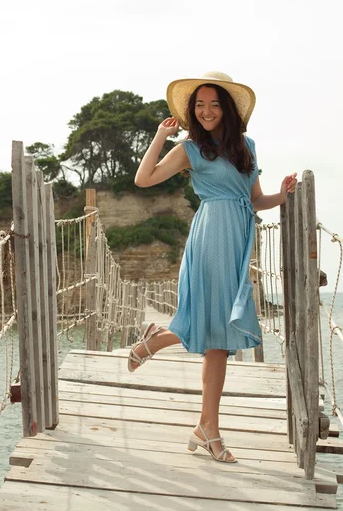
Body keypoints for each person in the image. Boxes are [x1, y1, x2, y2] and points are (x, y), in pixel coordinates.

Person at [128, 72, 297, 463]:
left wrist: (283, 195)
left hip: (238, 238)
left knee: (218, 335)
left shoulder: (246, 146)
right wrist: (159, 136)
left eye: (214, 104)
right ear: (192, 110)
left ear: (227, 109)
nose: (206, 111)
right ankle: (209, 428)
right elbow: (143, 178)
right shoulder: (190, 150)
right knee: (217, 335)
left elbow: (255, 199)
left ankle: (204, 422)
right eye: (199, 105)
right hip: (211, 239)